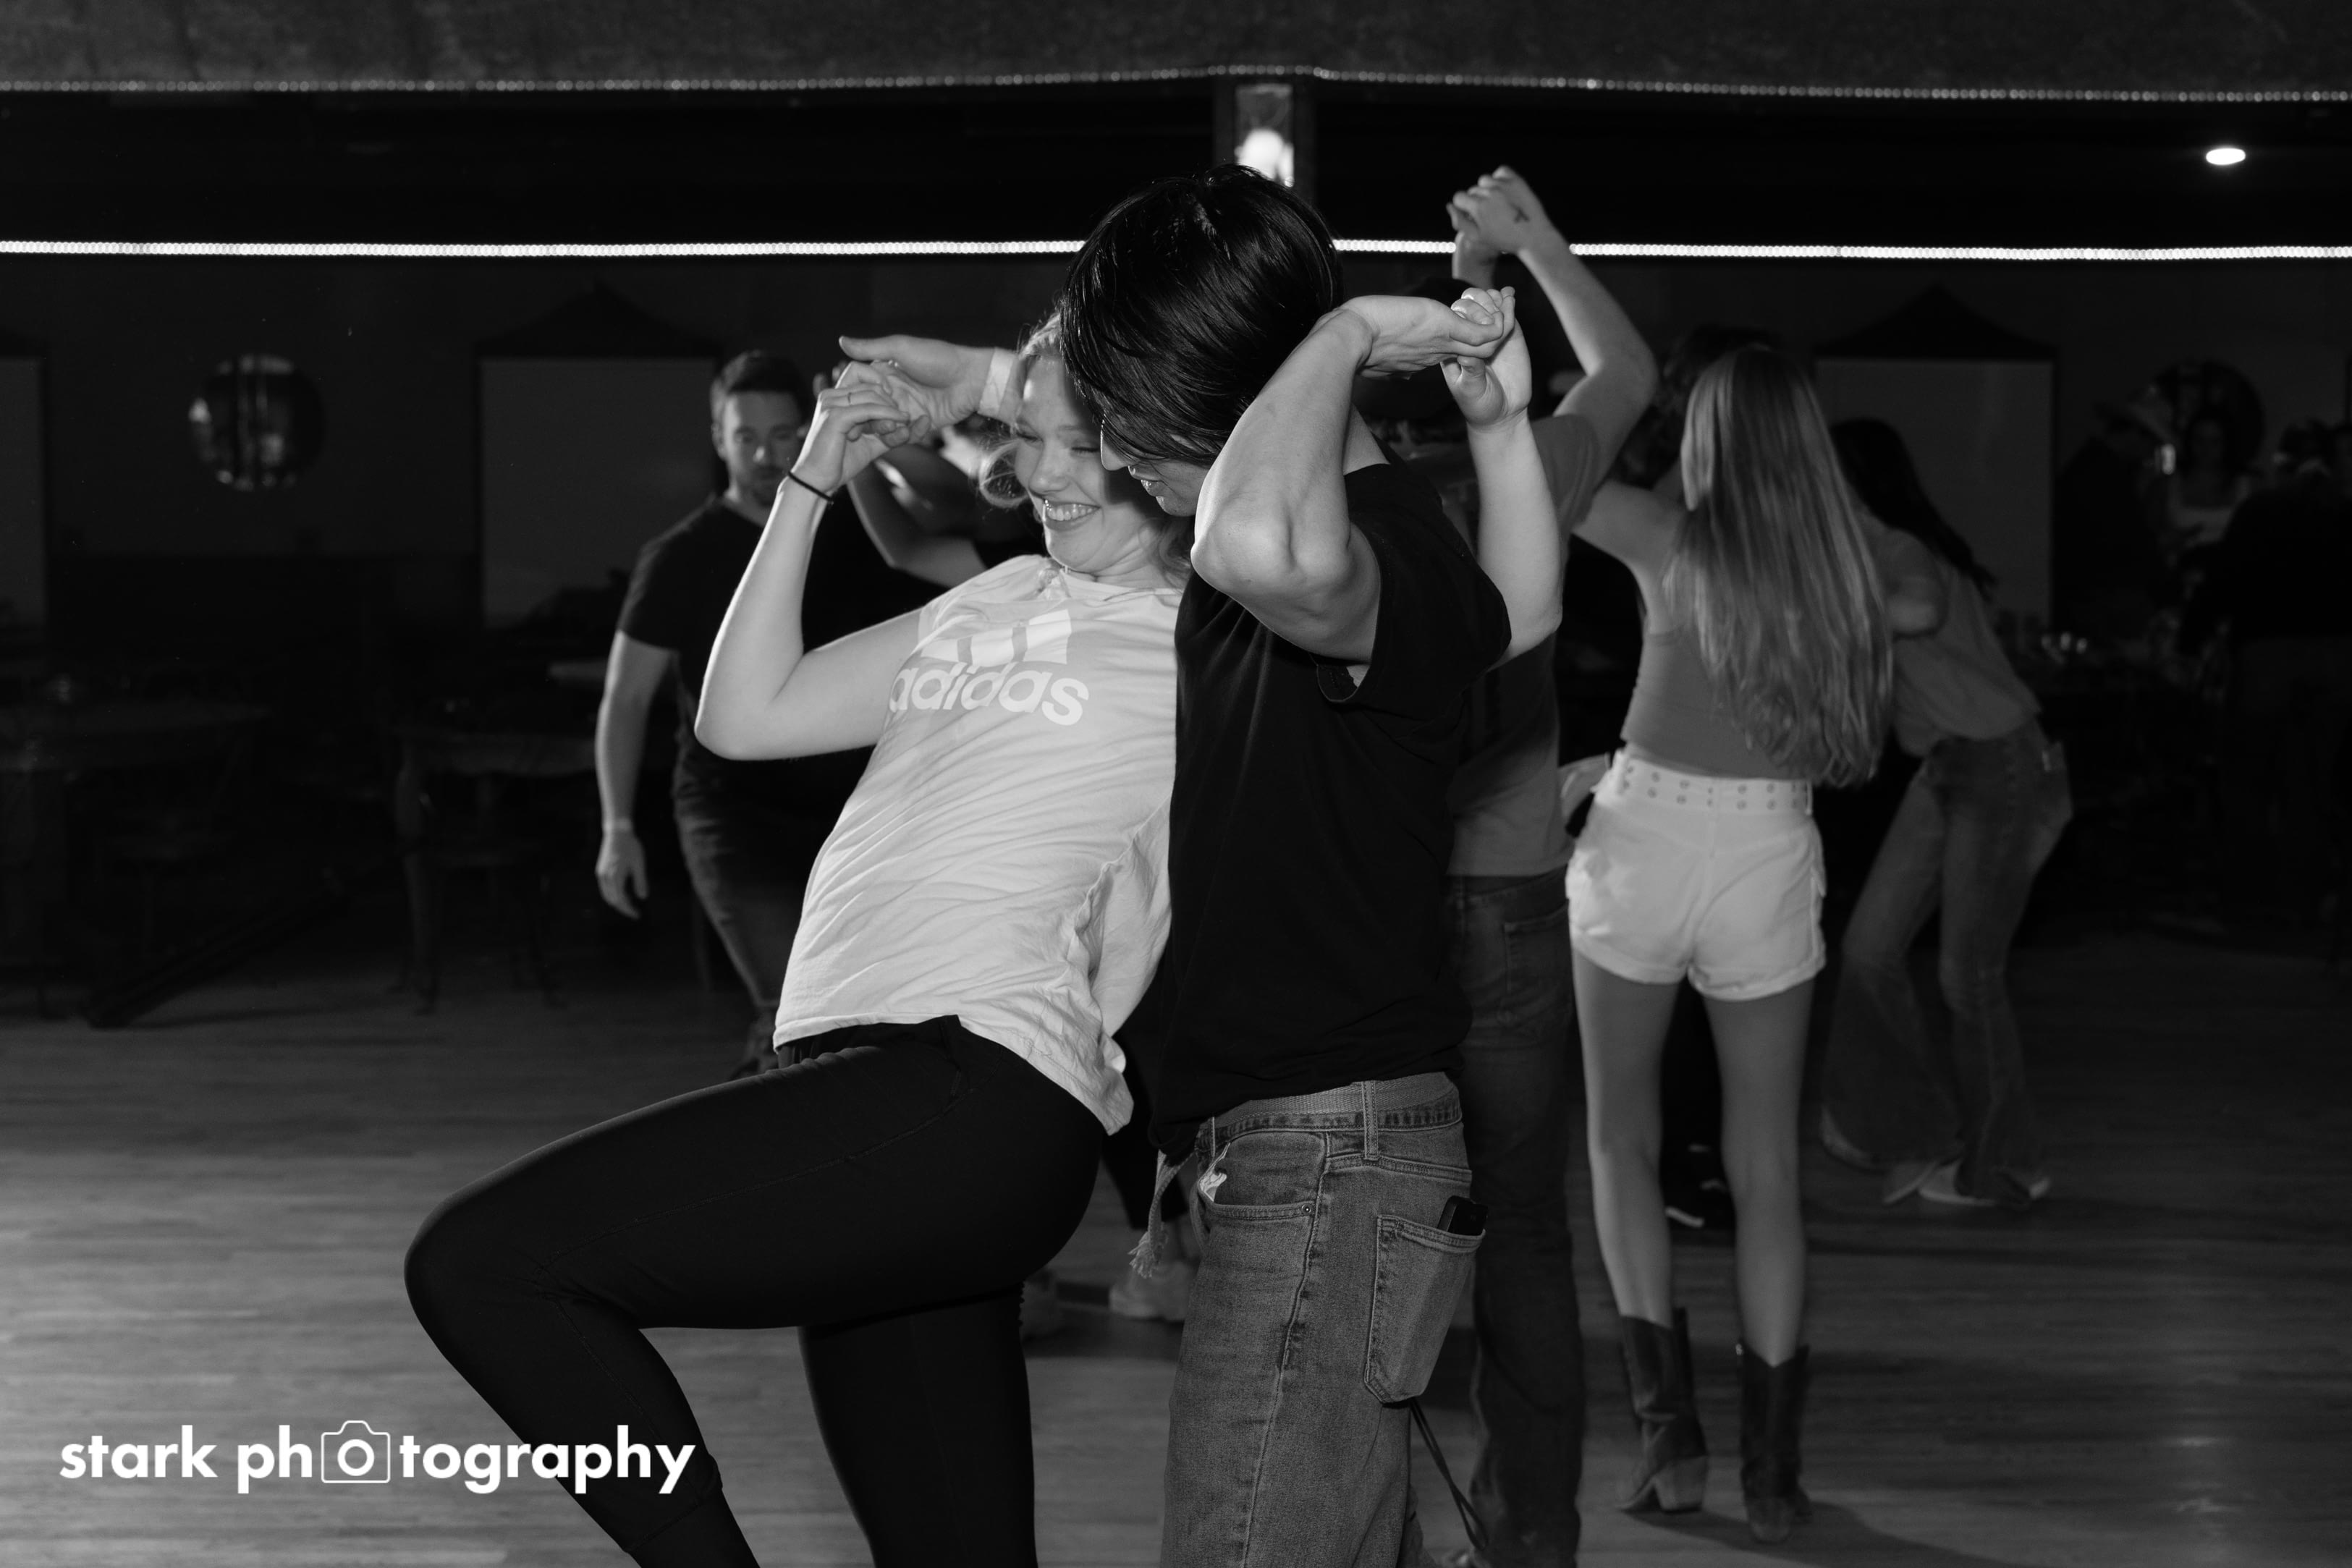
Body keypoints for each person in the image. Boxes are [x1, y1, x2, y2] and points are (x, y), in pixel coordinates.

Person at [842, 165, 1560, 1567]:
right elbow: (1516, 616)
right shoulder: (1372, 532)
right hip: (1305, 1153)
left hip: (1327, 1157)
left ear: (1236, 397)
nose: (1112, 452)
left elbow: (1251, 541)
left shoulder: (1340, 549)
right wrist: (1494, 423)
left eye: (1132, 417)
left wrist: (1344, 334)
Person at [406, 320, 1188, 1568]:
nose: (1037, 472)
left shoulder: (1212, 631)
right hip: (865, 1081)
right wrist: (814, 473)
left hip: (974, 1077)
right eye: (1029, 438)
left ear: (1165, 447)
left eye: (1075, 441)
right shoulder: (997, 595)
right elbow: (742, 713)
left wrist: (998, 379)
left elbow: (1364, 542)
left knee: (486, 1265)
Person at [1567, 346, 1891, 1545]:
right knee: (1765, 1168)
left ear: (1701, 437)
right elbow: (1919, 606)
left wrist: (1552, 290)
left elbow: (1554, 469)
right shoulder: (1849, 567)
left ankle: (1671, 1442)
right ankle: (1772, 1474)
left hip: (1647, 833)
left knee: (1620, 1139)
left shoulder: (1665, 536)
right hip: (1768, 845)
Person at [1442, 166, 1658, 1568]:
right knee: (1517, 1233)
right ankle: (1530, 1534)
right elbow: (1627, 370)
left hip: (1369, 908)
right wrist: (1529, 249)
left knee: (1362, 1228)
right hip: (1512, 908)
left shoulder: (1334, 514)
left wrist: (1469, 285)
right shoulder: (1521, 478)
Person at [595, 351, 931, 1080]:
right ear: (717, 439)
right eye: (744, 436)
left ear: (808, 431)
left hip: (855, 812)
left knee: (855, 1012)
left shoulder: (864, 533)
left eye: (783, 435)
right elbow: (626, 697)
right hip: (734, 815)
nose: (763, 454)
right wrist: (617, 826)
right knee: (791, 1010)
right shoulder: (679, 555)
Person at [1816, 418, 2071, 1214]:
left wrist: (1823, 600)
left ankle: (2008, 1164)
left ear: (1848, 478)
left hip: (1998, 761)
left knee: (1969, 974)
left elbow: (1920, 611)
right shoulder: (1867, 547)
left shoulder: (1895, 545)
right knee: (1867, 950)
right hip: (1949, 767)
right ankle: (1917, 1132)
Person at [2180, 419, 2352, 921]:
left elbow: (2223, 581)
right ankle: (2305, 889)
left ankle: (2249, 891)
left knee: (2248, 777)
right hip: (2338, 658)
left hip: (2267, 657)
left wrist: (2189, 640)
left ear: (2282, 464)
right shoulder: (2346, 512)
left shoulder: (2260, 511)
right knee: (2315, 779)